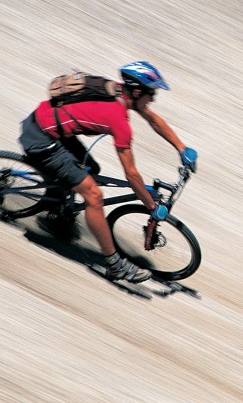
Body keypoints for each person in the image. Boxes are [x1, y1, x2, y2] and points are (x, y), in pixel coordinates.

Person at [18, 61, 198, 283]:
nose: (153, 100)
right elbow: (131, 174)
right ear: (138, 91)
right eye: (152, 94)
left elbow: (153, 120)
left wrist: (182, 148)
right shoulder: (118, 119)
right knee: (93, 196)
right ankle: (114, 264)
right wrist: (151, 207)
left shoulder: (116, 90)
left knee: (91, 170)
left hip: (46, 124)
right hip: (42, 140)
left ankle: (60, 211)